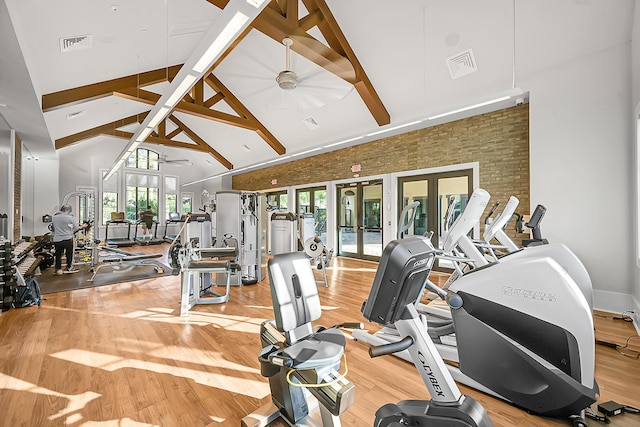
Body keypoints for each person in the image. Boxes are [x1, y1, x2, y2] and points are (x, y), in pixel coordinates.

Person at [51, 204, 88, 275]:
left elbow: (54, 228)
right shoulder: (70, 218)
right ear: (69, 210)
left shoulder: (54, 217)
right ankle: (69, 267)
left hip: (57, 239)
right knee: (69, 254)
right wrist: (83, 226)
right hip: (67, 238)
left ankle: (57, 269)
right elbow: (76, 228)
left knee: (58, 255)